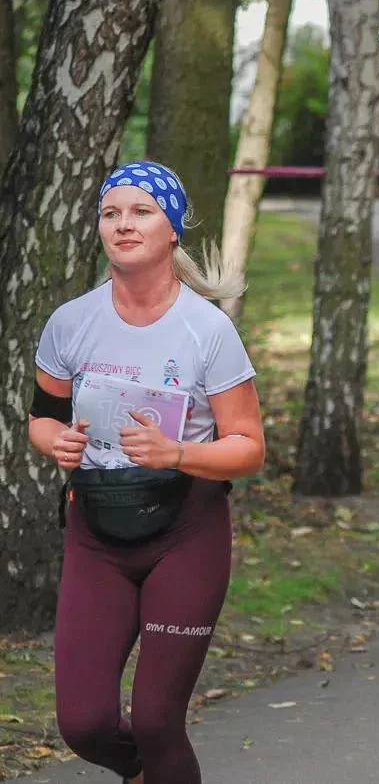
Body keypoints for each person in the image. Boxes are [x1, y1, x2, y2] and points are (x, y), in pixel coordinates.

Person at [27, 160, 265, 784]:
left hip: (186, 532)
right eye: (111, 213)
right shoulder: (70, 323)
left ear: (172, 229)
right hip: (96, 533)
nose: (123, 225)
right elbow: (42, 419)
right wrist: (58, 442)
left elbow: (249, 448)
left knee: (158, 721)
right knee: (84, 724)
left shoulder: (207, 330)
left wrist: (177, 453)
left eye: (141, 212)